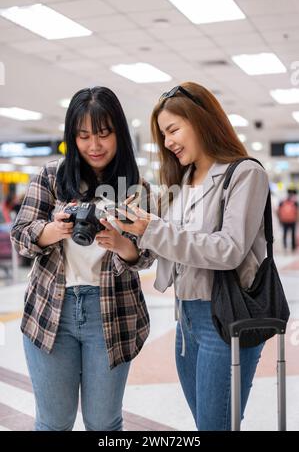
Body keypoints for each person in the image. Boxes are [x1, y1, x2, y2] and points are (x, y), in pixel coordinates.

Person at [115, 82, 270, 431]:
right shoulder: (182, 181)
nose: (167, 142)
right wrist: (130, 233)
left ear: (201, 121)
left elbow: (229, 249)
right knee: (205, 424)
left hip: (226, 319)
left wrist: (153, 229)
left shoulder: (245, 173)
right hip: (185, 320)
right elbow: (169, 247)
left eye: (173, 129)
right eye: (163, 134)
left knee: (216, 425)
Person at [10, 86, 154, 431]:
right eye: (84, 135)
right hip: (50, 313)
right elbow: (22, 235)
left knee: (103, 422)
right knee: (53, 421)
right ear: (72, 136)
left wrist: (122, 244)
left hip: (112, 312)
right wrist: (53, 230)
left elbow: (146, 256)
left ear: (120, 133)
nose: (94, 145)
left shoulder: (135, 187)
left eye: (104, 134)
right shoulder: (51, 176)